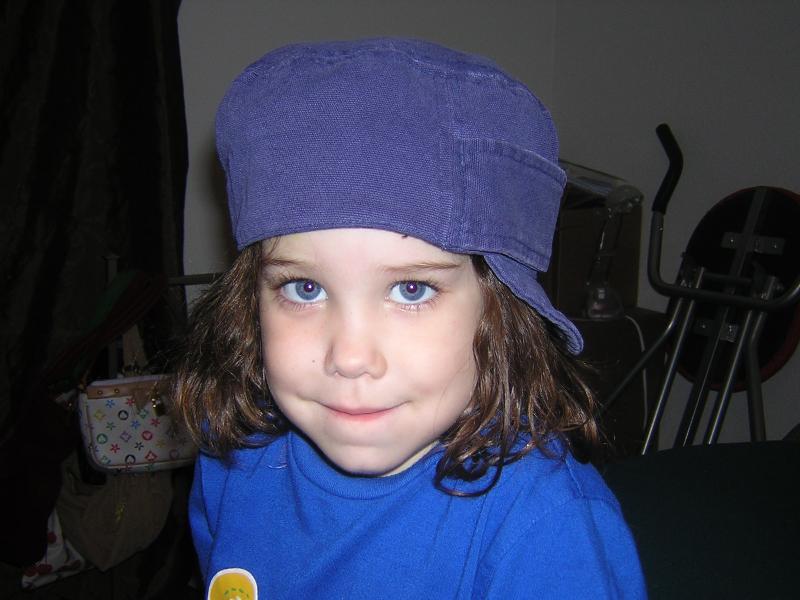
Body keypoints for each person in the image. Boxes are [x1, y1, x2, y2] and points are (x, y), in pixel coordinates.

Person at [174, 37, 646, 599]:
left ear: (499, 310)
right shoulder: (232, 460)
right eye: (305, 288)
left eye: (411, 289)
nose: (350, 357)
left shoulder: (547, 533)